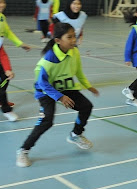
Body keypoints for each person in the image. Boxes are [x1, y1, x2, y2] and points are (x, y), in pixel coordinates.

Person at [16, 23, 99, 167]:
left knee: (86, 106)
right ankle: (23, 150)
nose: (73, 40)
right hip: (46, 91)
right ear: (58, 40)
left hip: (65, 87)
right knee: (46, 121)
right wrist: (59, 97)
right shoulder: (49, 59)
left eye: (74, 36)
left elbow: (78, 71)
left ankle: (75, 135)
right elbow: (42, 83)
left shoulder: (74, 52)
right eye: (69, 37)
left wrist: (88, 86)